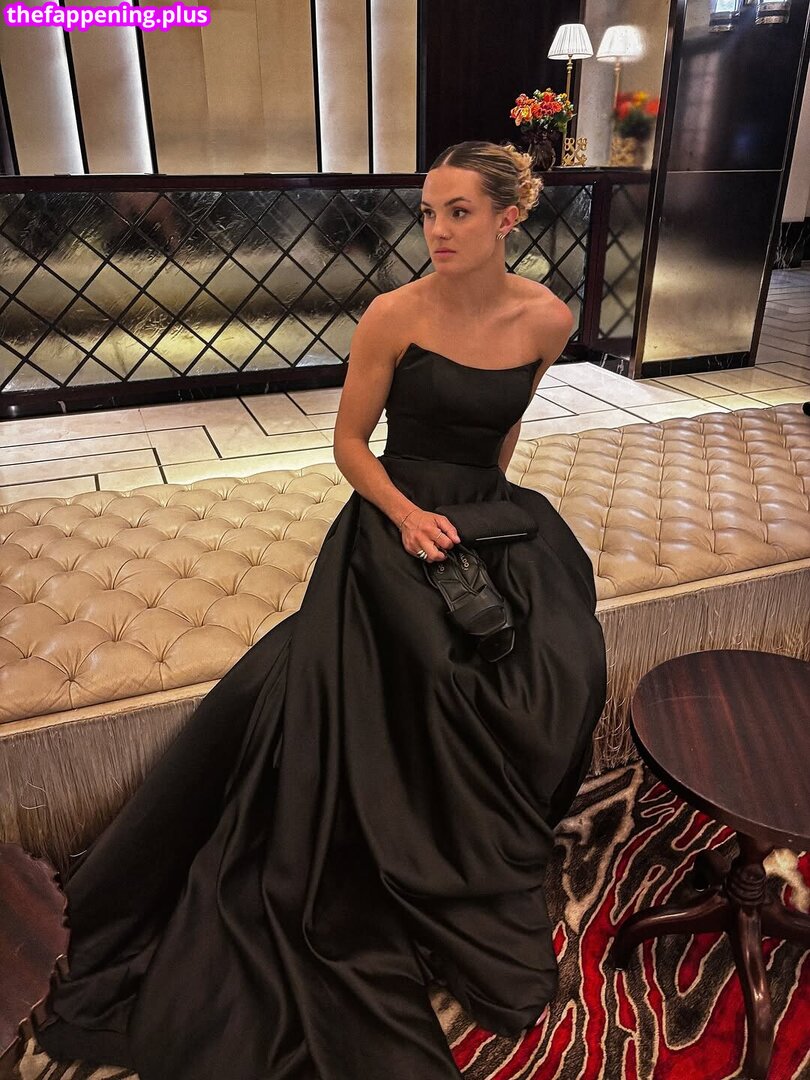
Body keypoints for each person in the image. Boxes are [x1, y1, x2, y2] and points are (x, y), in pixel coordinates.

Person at [31, 141, 607, 1080]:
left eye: (459, 212)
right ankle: (406, 857)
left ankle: (479, 837)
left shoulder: (548, 318)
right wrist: (408, 515)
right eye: (429, 211)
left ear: (509, 218)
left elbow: (503, 430)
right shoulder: (394, 314)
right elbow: (348, 443)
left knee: (561, 659)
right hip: (392, 517)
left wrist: (491, 524)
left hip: (485, 517)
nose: (436, 229)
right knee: (433, 666)